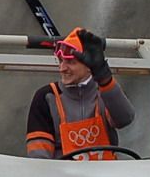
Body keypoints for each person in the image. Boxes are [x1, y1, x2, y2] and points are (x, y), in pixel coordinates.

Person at [24, 29, 134, 160]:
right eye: (60, 61)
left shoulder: (106, 91)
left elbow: (124, 119)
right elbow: (39, 158)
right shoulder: (46, 97)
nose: (62, 68)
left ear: (89, 66)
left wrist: (103, 76)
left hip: (106, 176)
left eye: (71, 62)